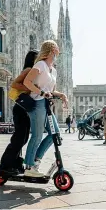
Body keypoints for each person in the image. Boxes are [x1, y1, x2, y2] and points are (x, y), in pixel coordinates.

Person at [23, 40, 68, 177]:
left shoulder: (53, 70)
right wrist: (41, 93)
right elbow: (27, 82)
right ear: (49, 51)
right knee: (37, 135)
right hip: (37, 103)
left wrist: (61, 95)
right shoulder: (40, 65)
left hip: (46, 104)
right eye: (55, 50)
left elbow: (51, 91)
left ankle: (35, 160)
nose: (57, 53)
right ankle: (29, 167)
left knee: (55, 133)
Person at [0, 49, 39, 176]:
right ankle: (5, 165)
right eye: (38, 58)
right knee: (18, 138)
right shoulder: (27, 70)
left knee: (23, 138)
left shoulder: (34, 71)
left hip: (25, 109)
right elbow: (15, 84)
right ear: (32, 59)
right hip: (20, 108)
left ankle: (16, 163)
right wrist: (30, 88)